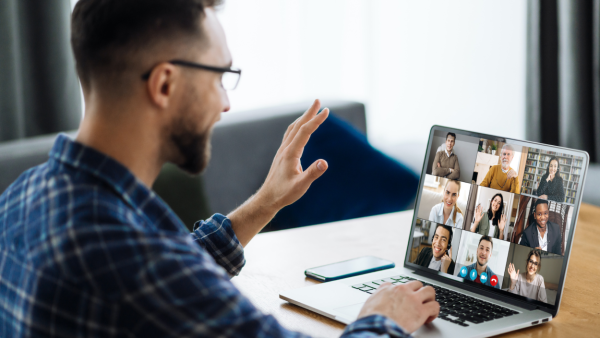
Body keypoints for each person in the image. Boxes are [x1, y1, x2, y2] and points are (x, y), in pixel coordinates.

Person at [0, 1, 439, 337]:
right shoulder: (138, 263)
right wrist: (384, 318)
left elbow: (169, 272)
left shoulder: (24, 196)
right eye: (218, 76)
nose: (225, 103)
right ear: (165, 84)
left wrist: (267, 202)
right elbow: (160, 272)